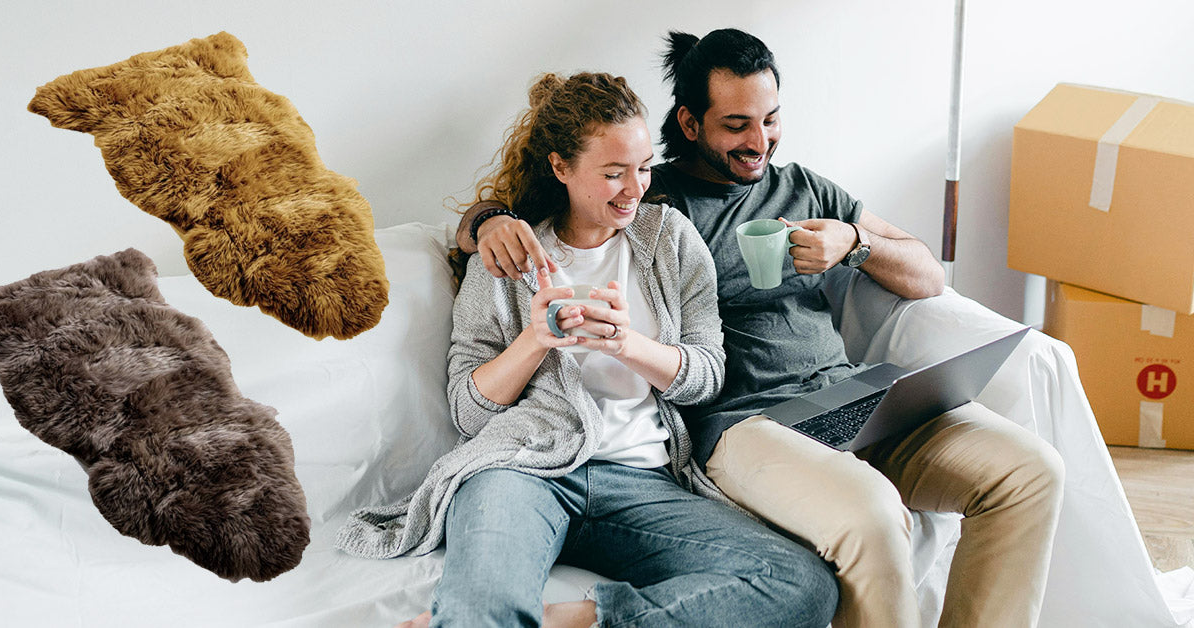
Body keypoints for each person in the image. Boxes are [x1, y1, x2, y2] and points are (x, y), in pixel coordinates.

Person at [455, 30, 1066, 628]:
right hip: (746, 423)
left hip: (847, 395)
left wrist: (854, 242)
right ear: (691, 124)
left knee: (1031, 471)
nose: (760, 141)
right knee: (873, 516)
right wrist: (487, 221)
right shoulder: (655, 203)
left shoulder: (799, 190)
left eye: (770, 119)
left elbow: (926, 274)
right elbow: (548, 206)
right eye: (737, 125)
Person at [338, 71, 838, 628]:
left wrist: (629, 344)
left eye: (644, 168)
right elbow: (468, 410)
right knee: (482, 609)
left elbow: (707, 375)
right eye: (613, 173)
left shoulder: (670, 240)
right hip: (521, 470)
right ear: (561, 168)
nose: (634, 188)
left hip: (642, 480)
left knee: (799, 583)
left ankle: (570, 621)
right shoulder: (506, 255)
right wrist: (533, 342)